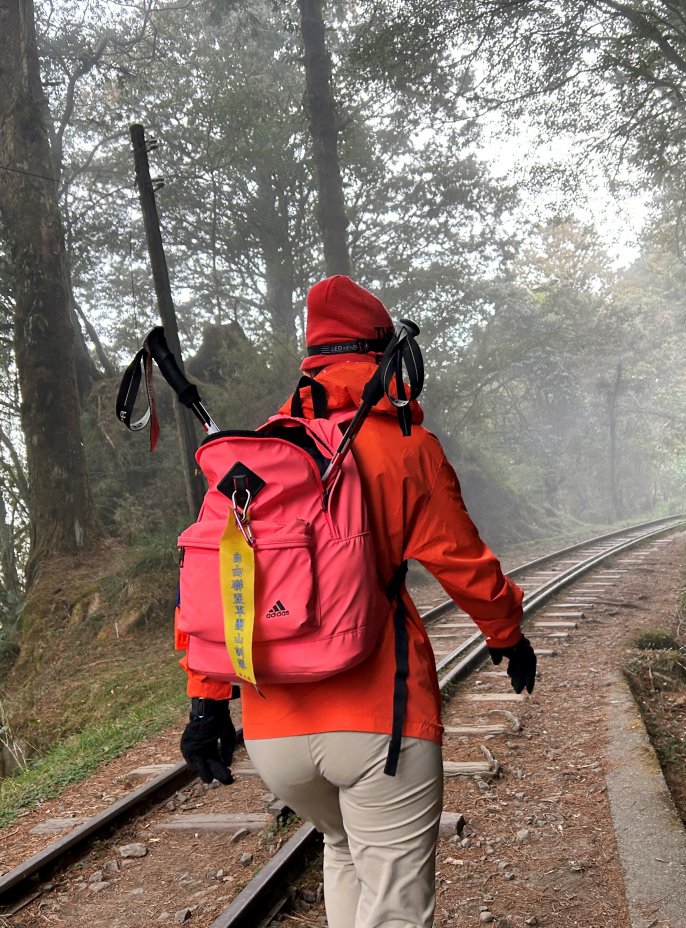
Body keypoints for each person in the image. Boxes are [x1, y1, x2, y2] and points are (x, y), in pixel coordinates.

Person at [177, 275, 536, 928]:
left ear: (312, 360)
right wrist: (506, 634)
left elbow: (218, 584)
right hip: (378, 721)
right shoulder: (404, 447)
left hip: (273, 730)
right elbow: (465, 565)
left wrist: (206, 700)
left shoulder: (261, 456)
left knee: (342, 848)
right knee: (396, 905)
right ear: (384, 354)